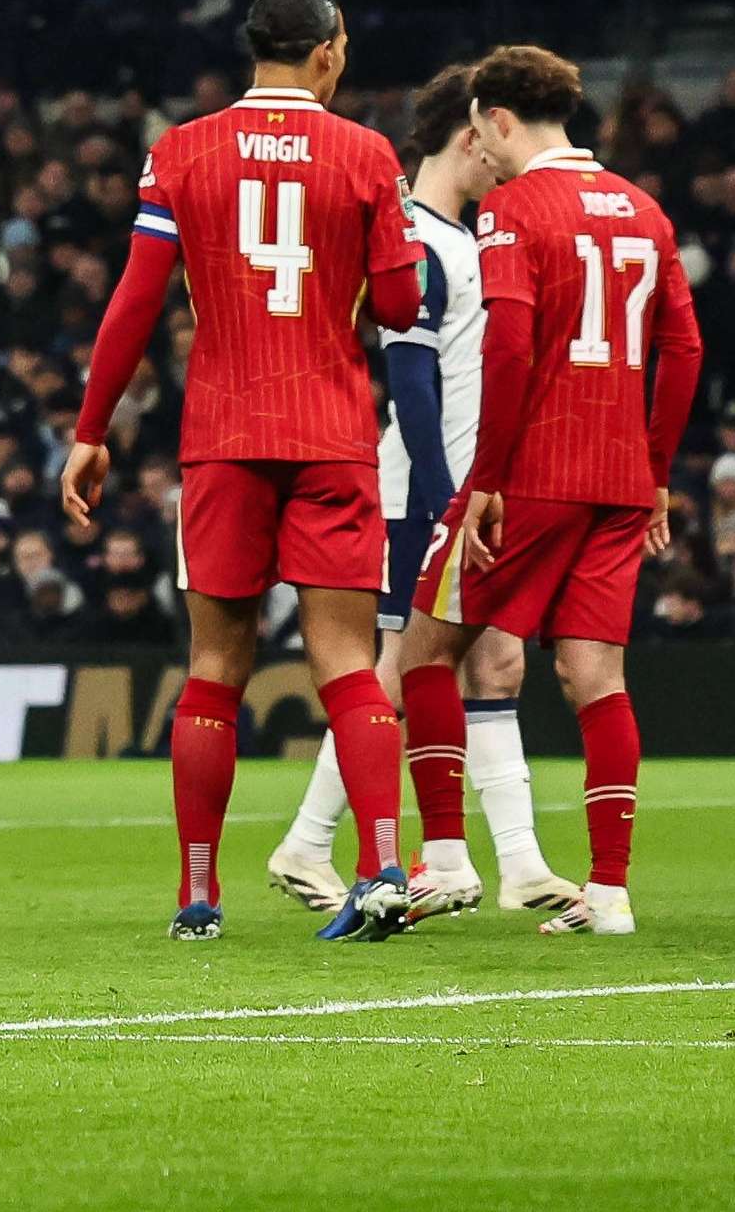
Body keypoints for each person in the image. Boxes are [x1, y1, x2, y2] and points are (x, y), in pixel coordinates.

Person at [60, 0, 423, 942]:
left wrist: (92, 428)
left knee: (215, 665)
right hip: (332, 432)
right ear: (329, 51)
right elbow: (396, 304)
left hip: (221, 436)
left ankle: (197, 896)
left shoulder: (180, 153)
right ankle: (385, 865)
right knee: (346, 660)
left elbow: (135, 301)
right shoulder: (367, 154)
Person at [263, 63, 568, 923]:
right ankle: (317, 842)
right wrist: (442, 497)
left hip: (467, 490)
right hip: (422, 495)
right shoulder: (419, 239)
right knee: (395, 671)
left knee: (492, 662)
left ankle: (519, 863)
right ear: (473, 136)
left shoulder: (462, 238)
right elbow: (412, 380)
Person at [429, 44, 696, 938]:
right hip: (620, 478)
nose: (481, 152)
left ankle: (440, 863)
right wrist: (656, 470)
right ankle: (609, 893)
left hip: (536, 472)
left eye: (479, 131)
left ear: (500, 118)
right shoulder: (645, 211)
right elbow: (685, 350)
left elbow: (507, 347)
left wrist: (487, 478)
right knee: (597, 677)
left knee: (426, 649)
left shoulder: (512, 210)